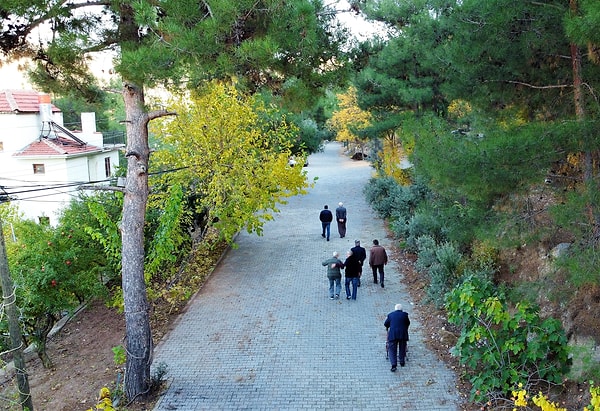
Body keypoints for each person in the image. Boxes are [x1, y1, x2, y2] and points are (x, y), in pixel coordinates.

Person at [384, 303, 410, 372]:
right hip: (402, 334)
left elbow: (386, 324)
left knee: (392, 349)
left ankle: (393, 364)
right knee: (402, 347)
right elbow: (408, 323)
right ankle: (402, 362)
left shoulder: (391, 315)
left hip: (393, 335)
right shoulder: (405, 315)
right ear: (402, 310)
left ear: (395, 309)